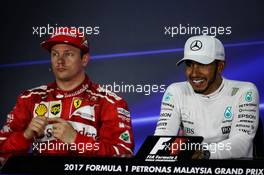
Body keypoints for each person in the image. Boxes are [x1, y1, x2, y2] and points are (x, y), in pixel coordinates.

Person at [0, 27, 134, 160]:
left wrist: (76, 140)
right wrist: (25, 136)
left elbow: (123, 154)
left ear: (84, 59)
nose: (60, 61)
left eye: (68, 54)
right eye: (55, 54)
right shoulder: (31, 98)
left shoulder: (109, 102)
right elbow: (2, 150)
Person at [154, 35, 259, 159]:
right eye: (189, 64)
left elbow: (241, 144)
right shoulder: (176, 91)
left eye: (202, 65)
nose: (193, 73)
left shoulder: (244, 91)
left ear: (220, 67)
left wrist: (205, 153)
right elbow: (162, 137)